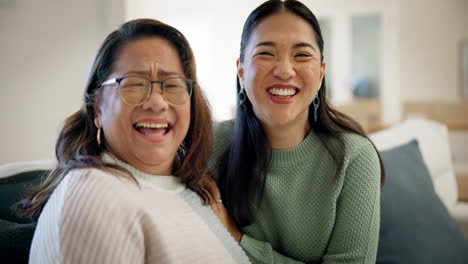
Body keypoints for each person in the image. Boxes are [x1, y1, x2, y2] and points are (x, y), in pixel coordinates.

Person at [17, 19, 250, 264]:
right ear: (98, 109)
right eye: (135, 84)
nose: (157, 102)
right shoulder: (95, 194)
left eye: (172, 85)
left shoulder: (191, 189)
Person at [208, 1, 385, 263]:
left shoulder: (355, 157)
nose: (285, 71)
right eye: (266, 54)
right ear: (241, 71)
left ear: (321, 73)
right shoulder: (208, 144)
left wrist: (238, 239)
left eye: (301, 55)